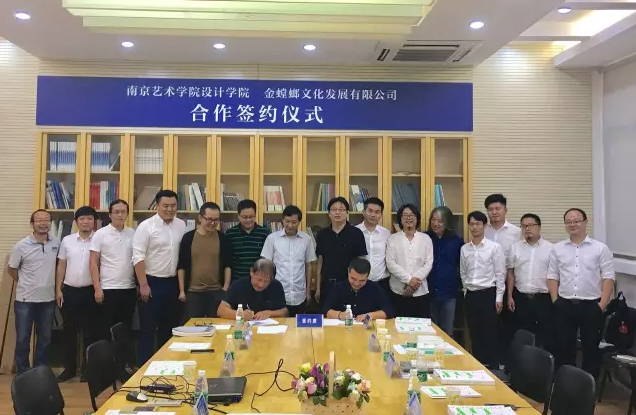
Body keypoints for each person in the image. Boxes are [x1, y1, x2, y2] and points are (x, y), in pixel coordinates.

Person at [548, 208, 615, 379]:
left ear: (585, 222)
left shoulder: (600, 248)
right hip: (564, 305)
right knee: (564, 348)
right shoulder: (557, 248)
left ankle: (588, 386)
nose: (572, 224)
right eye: (568, 221)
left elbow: (608, 277)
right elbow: (552, 276)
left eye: (576, 221)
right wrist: (555, 300)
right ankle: (566, 383)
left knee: (591, 349)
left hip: (591, 305)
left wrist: (602, 305)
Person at [132, 190, 186, 366]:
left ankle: (167, 366)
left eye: (173, 206)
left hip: (173, 283)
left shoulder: (181, 225)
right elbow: (137, 257)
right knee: (148, 329)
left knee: (169, 328)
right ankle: (143, 368)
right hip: (151, 282)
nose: (170, 209)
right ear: (157, 206)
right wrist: (143, 284)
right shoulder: (146, 227)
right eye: (166, 206)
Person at [8, 209, 59, 373]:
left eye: (46, 220)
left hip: (48, 300)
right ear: (32, 224)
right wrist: (25, 283)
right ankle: (23, 373)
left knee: (45, 338)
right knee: (23, 339)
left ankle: (40, 371)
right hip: (25, 300)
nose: (43, 223)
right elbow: (12, 269)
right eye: (39, 220)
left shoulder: (56, 243)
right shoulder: (21, 246)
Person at [89, 199, 137, 372]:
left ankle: (122, 368)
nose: (120, 215)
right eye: (116, 212)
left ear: (127, 214)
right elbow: (93, 262)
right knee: (106, 331)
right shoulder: (100, 234)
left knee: (124, 331)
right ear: (110, 214)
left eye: (123, 212)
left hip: (128, 289)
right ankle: (106, 370)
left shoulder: (133, 233)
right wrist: (97, 288)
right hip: (107, 289)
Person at [55, 206, 99, 382]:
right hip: (70, 290)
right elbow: (61, 265)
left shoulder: (99, 239)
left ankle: (88, 369)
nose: (85, 222)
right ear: (76, 222)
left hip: (91, 291)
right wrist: (58, 289)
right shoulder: (67, 240)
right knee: (69, 331)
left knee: (91, 332)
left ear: (94, 221)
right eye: (82, 219)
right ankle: (69, 369)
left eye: (89, 218)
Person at [460, 211, 505, 367]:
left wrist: (499, 298)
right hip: (471, 296)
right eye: (472, 224)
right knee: (474, 333)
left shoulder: (494, 248)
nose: (474, 227)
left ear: (485, 226)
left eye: (478, 224)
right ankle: (478, 366)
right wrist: (466, 293)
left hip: (488, 294)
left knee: (490, 333)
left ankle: (492, 368)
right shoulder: (464, 249)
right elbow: (463, 273)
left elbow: (500, 274)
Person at [506, 213, 554, 352]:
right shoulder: (515, 247)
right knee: (521, 334)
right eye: (524, 226)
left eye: (531, 225)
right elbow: (510, 273)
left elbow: (555, 275)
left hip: (543, 298)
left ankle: (543, 363)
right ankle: (520, 363)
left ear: (539, 227)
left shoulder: (551, 248)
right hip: (521, 298)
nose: (527, 229)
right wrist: (509, 296)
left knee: (544, 335)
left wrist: (554, 299)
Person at [177, 202, 232, 318]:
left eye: (216, 220)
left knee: (217, 325)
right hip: (193, 292)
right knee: (193, 325)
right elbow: (181, 266)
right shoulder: (188, 238)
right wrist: (182, 291)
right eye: (209, 219)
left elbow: (227, 265)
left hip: (216, 292)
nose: (213, 223)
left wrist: (225, 288)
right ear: (200, 218)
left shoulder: (223, 238)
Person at [260, 205, 316, 316]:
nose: (290, 225)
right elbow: (266, 265)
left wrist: (308, 291)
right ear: (282, 220)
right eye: (287, 221)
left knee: (298, 325)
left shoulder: (306, 239)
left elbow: (308, 265)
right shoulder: (272, 238)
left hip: (299, 294)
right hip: (277, 292)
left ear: (299, 222)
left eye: (294, 222)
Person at [315, 197, 367, 304]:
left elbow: (361, 262)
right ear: (329, 213)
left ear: (347, 213)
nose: (337, 212)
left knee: (348, 313)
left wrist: (358, 285)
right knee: (327, 313)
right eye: (334, 209)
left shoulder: (356, 233)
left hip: (349, 285)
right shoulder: (322, 234)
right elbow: (320, 262)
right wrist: (318, 288)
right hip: (327, 285)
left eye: (341, 209)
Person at [386, 204, 433, 318]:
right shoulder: (392, 239)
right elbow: (390, 263)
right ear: (400, 219)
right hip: (398, 292)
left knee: (420, 326)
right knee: (397, 326)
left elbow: (428, 263)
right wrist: (409, 280)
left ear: (417, 218)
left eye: (412, 215)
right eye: (405, 215)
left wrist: (413, 285)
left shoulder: (426, 239)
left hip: (420, 293)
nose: (409, 218)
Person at [425, 206, 463, 336]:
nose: (436, 223)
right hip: (427, 292)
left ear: (448, 222)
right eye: (433, 219)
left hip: (449, 293)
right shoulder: (425, 238)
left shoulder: (457, 242)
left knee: (447, 332)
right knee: (428, 332)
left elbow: (462, 267)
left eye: (440, 221)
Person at [323, 257, 393, 321]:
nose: (357, 284)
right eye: (353, 279)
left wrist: (368, 316)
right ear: (348, 272)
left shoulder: (375, 289)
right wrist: (340, 315)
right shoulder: (338, 287)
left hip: (365, 328)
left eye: (362, 281)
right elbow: (325, 310)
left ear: (367, 276)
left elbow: (389, 311)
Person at [217, 259, 287, 320]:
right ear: (251, 272)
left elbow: (285, 312)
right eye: (259, 280)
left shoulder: (276, 286)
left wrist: (269, 313)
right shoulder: (238, 285)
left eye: (266, 281)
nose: (261, 285)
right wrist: (240, 314)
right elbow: (220, 311)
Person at [225, 199, 270, 283]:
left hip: (258, 281)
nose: (248, 220)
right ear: (238, 216)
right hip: (237, 281)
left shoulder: (264, 233)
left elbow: (267, 260)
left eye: (251, 217)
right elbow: (228, 261)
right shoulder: (230, 233)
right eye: (245, 217)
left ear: (255, 215)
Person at [355, 197, 390, 292]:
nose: (373, 215)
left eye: (377, 212)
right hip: (358, 283)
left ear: (381, 215)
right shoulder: (354, 231)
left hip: (381, 283)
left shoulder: (386, 233)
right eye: (370, 211)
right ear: (363, 212)